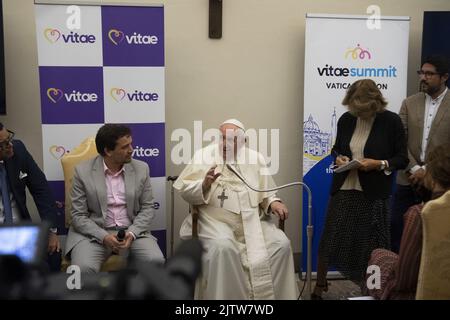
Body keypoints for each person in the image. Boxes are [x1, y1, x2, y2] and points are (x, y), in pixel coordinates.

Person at [173, 119, 298, 300]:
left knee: (281, 244)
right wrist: (204, 184)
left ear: (243, 142)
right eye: (223, 138)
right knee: (224, 247)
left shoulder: (255, 159)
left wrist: (274, 202)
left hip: (252, 222)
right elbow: (185, 191)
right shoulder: (203, 156)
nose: (225, 144)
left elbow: (265, 191)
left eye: (231, 140)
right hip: (214, 221)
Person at [312, 79, 409, 299]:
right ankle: (320, 285)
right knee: (331, 237)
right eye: (355, 108)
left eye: (363, 109)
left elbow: (401, 159)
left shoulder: (391, 121)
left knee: (374, 245)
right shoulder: (346, 119)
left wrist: (379, 164)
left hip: (374, 192)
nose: (359, 113)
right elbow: (336, 149)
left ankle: (373, 289)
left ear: (376, 103)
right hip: (345, 187)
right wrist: (340, 158)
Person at [64, 124, 164, 273]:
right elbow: (78, 216)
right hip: (94, 234)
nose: (131, 150)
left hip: (132, 232)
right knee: (82, 270)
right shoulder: (83, 171)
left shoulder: (141, 168)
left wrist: (132, 233)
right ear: (108, 151)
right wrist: (104, 237)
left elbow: (148, 208)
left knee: (155, 261)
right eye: (124, 147)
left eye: (131, 144)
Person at [367, 144, 450, 299]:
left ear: (432, 174)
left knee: (377, 256)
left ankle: (371, 295)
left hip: (413, 294)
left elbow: (403, 280)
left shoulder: (419, 214)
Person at [392, 54, 450, 253]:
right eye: (421, 73)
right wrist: (415, 168)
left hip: (441, 182)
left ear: (444, 77)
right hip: (407, 179)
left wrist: (427, 170)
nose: (423, 77)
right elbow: (399, 141)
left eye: (429, 74)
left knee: (435, 235)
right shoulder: (409, 103)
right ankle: (400, 278)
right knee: (398, 229)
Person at [0, 122, 61, 272]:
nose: (11, 146)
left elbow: (41, 190)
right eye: (4, 144)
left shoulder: (18, 151)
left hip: (20, 233)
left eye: (10, 138)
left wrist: (51, 231)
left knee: (52, 256)